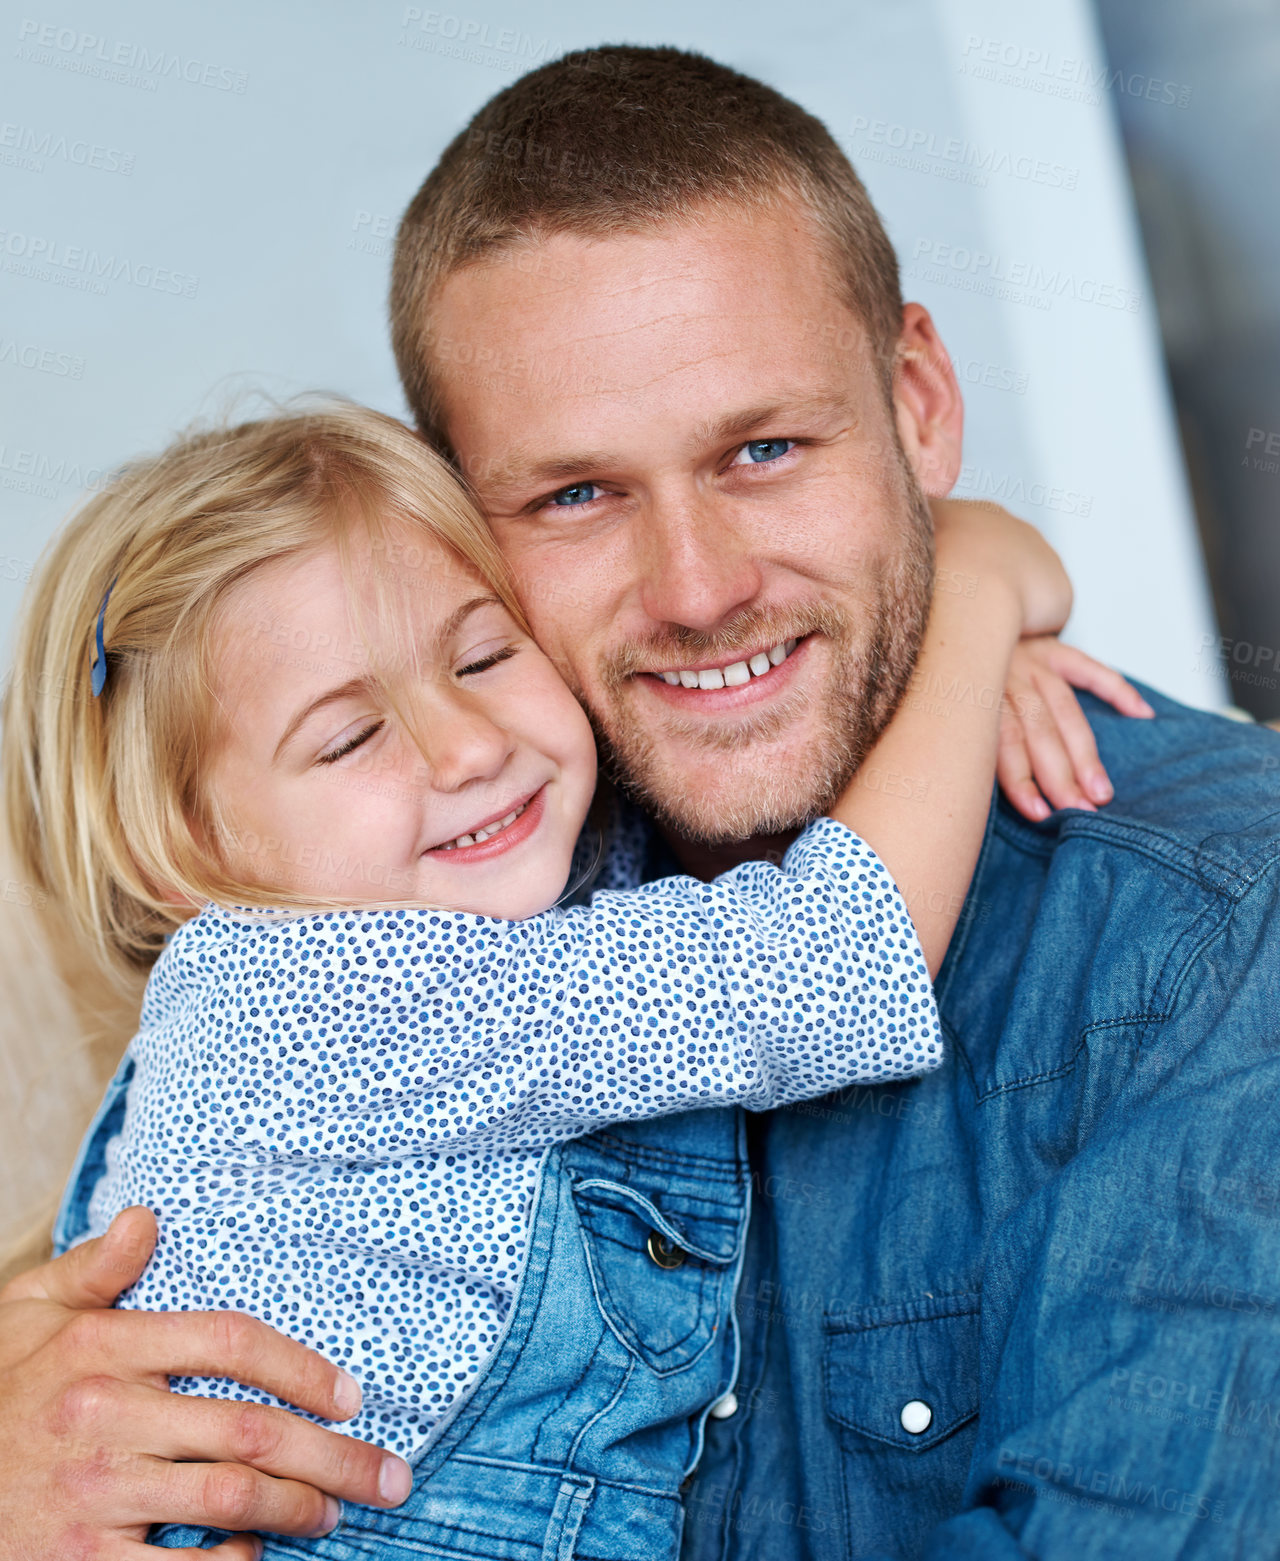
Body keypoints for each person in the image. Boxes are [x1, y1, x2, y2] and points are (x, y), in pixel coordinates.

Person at [2, 41, 1279, 1560]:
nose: (699, 592)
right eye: (576, 495)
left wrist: (958, 623)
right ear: (466, 521)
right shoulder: (439, 891)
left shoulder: (1206, 923)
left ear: (919, 405)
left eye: (764, 449)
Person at [2, 398, 1122, 1557]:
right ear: (182, 854)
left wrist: (943, 684)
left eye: (484, 656)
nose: (468, 744)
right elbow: (827, 965)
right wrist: (972, 588)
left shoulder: (463, 904)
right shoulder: (304, 997)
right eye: (347, 739)